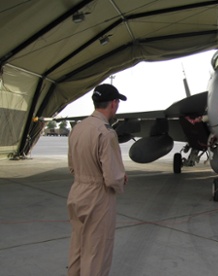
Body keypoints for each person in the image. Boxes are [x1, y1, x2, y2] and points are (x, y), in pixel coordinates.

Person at [66, 84, 128, 276]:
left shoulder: (78, 128)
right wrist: (122, 178)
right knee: (96, 254)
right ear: (114, 104)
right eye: (117, 102)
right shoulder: (106, 132)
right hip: (97, 198)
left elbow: (72, 166)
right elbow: (112, 178)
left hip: (77, 193)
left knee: (78, 249)